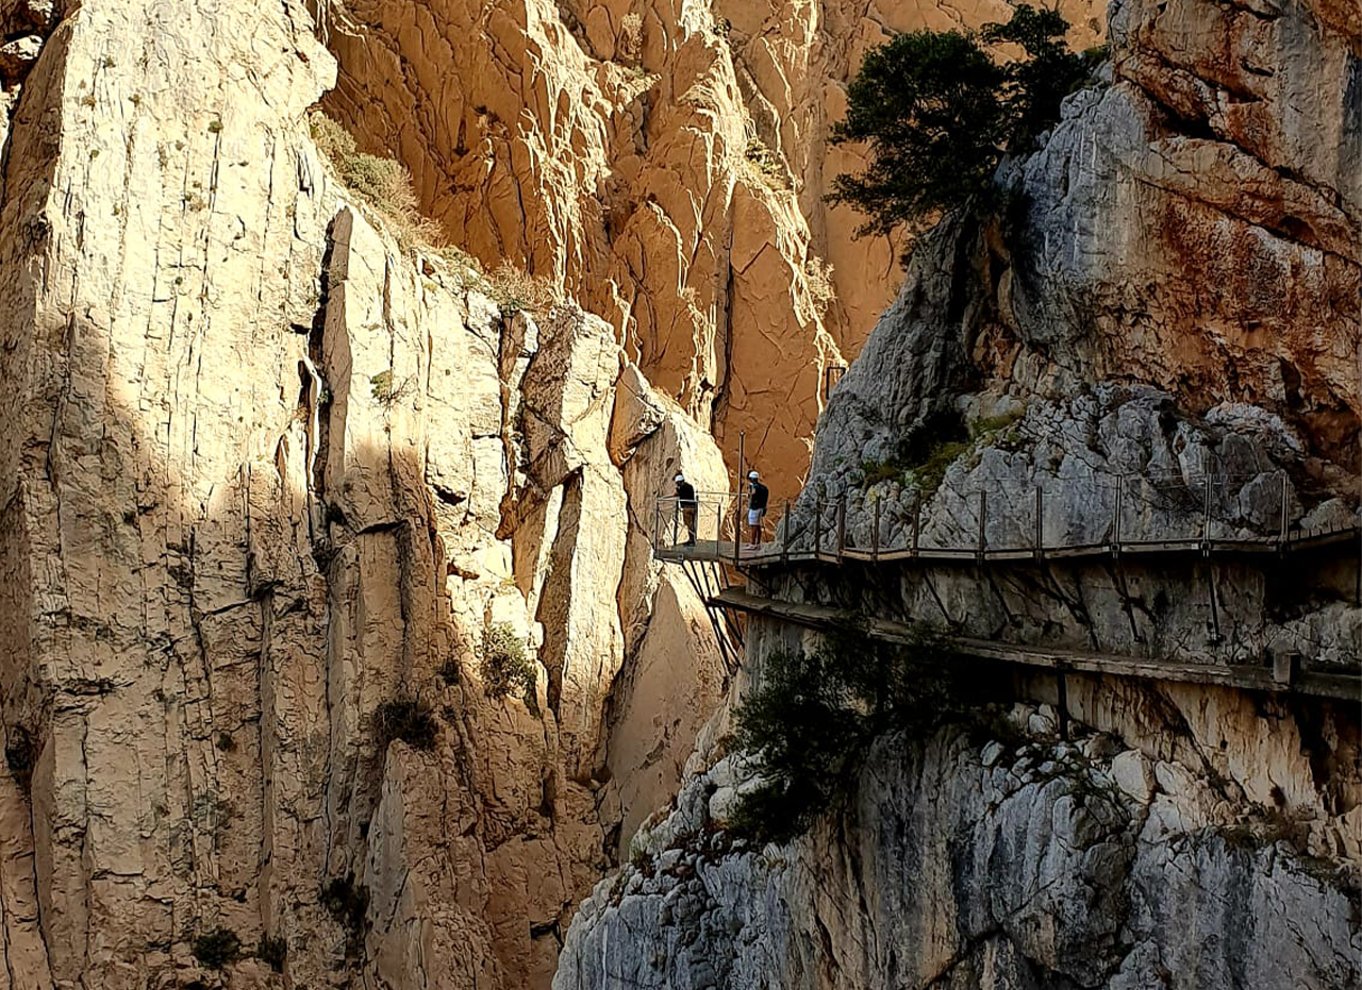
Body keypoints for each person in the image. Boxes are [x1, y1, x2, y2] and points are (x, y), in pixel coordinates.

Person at [674, 472, 697, 546]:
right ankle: (692, 539)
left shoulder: (682, 488)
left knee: (689, 524)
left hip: (687, 508)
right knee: (692, 524)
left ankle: (691, 540)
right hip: (693, 507)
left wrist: (678, 490)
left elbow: (680, 495)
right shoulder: (690, 486)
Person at [746, 470, 769, 547]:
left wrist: (750, 490)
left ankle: (753, 544)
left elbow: (752, 495)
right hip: (761, 508)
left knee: (753, 526)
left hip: (754, 508)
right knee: (758, 525)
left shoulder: (754, 487)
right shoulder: (764, 488)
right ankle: (758, 543)